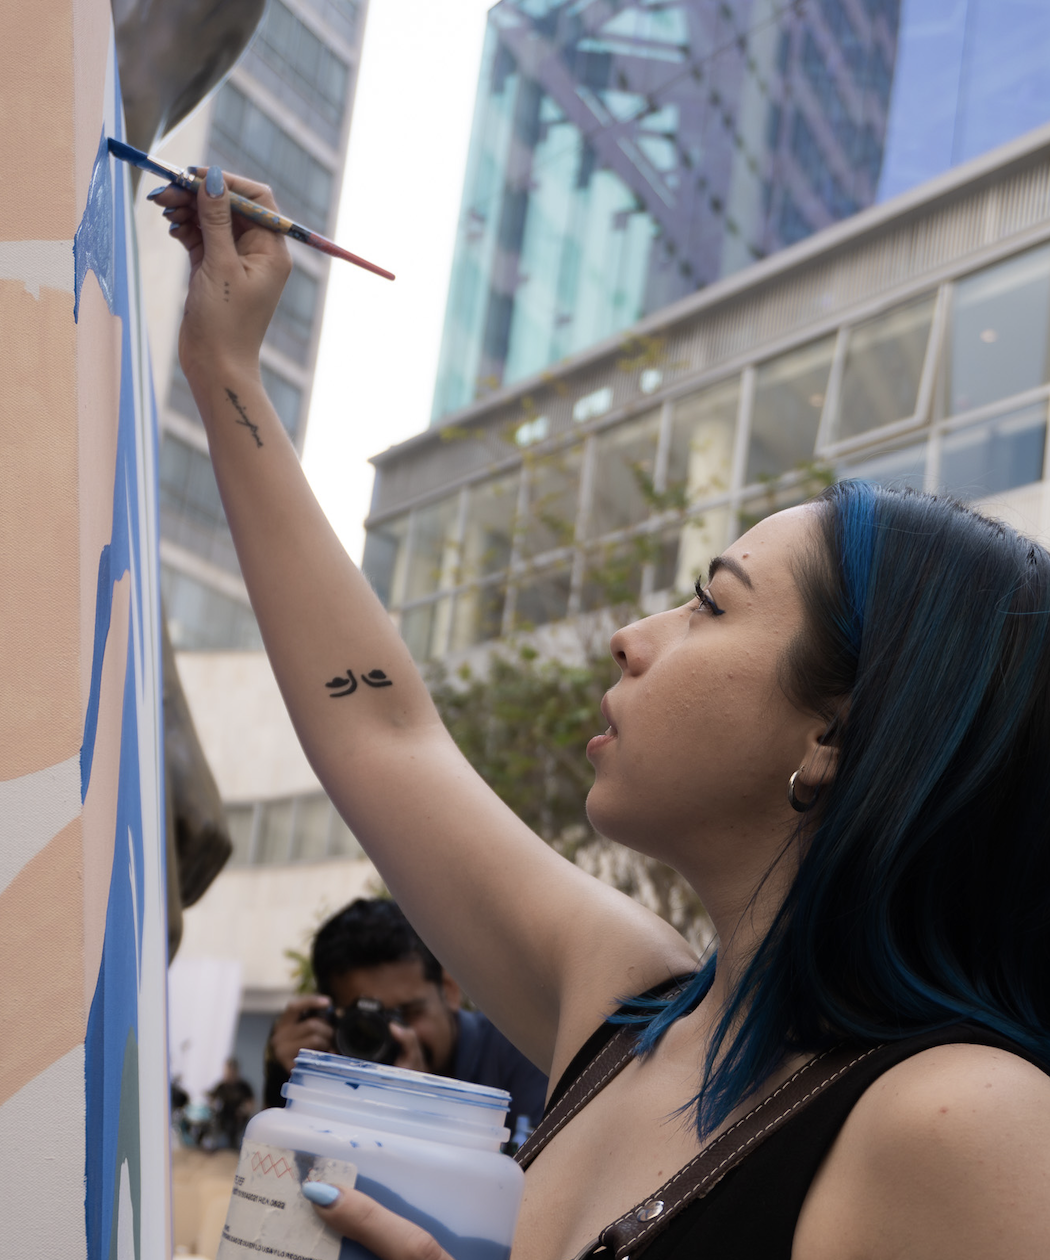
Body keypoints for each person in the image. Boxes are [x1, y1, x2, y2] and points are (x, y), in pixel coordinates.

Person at [152, 166, 1050, 1260]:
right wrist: (222, 365)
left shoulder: (965, 1120)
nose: (635, 635)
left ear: (836, 732)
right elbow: (381, 732)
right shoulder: (633, 1006)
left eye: (710, 604)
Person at [264, 897, 547, 1142]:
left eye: (407, 1014)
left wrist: (419, 1106)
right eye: (367, 1024)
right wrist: (291, 1079)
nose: (396, 1034)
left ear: (449, 989)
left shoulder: (521, 1054)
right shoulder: (332, 1075)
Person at [206, 1057, 255, 1150]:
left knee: (235, 1144)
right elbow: (212, 1098)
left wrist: (244, 1110)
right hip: (223, 1118)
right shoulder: (221, 1086)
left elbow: (251, 1103)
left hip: (238, 1120)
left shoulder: (244, 1087)